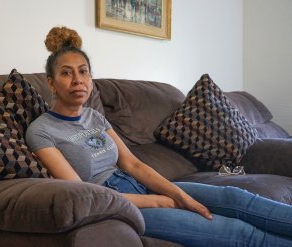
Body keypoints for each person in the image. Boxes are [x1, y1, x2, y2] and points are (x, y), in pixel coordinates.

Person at [26, 26, 292, 247]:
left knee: (236, 197)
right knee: (240, 234)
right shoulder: (42, 131)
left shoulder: (96, 117)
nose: (77, 80)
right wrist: (154, 201)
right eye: (66, 73)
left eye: (83, 71)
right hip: (116, 204)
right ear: (51, 82)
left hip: (138, 185)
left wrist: (179, 194)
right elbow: (84, 193)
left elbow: (133, 164)